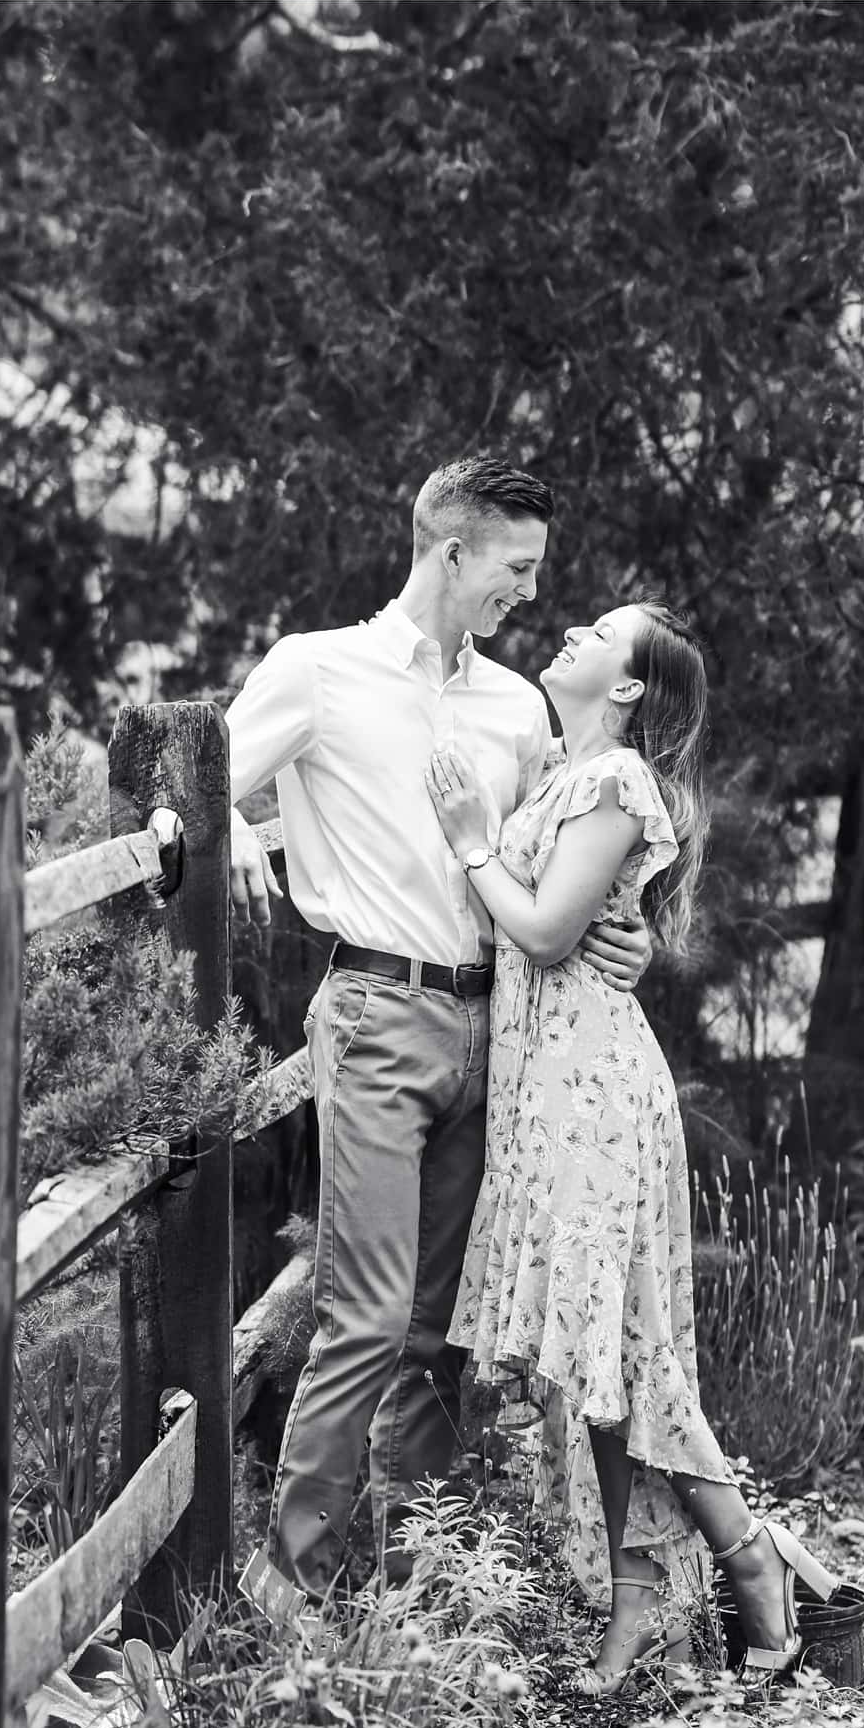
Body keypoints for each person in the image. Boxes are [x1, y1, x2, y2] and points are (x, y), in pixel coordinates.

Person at [226, 455, 652, 1601]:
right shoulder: (317, 672)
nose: (528, 591)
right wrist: (226, 840)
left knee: (440, 1329)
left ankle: (417, 1589)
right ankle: (292, 1589)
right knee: (363, 1313)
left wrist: (633, 939)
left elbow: (578, 854)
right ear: (451, 550)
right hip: (375, 1012)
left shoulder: (518, 706)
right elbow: (207, 777)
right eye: (516, 568)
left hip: (496, 1028)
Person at [426, 599, 840, 1694]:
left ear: (625, 687)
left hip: (595, 1099)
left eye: (597, 632)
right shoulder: (562, 774)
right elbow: (567, 915)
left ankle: (748, 1563)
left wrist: (472, 843)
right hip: (544, 1097)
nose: (568, 630)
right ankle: (647, 1603)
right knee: (591, 1366)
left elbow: (551, 928)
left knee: (623, 1356)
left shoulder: (618, 784)